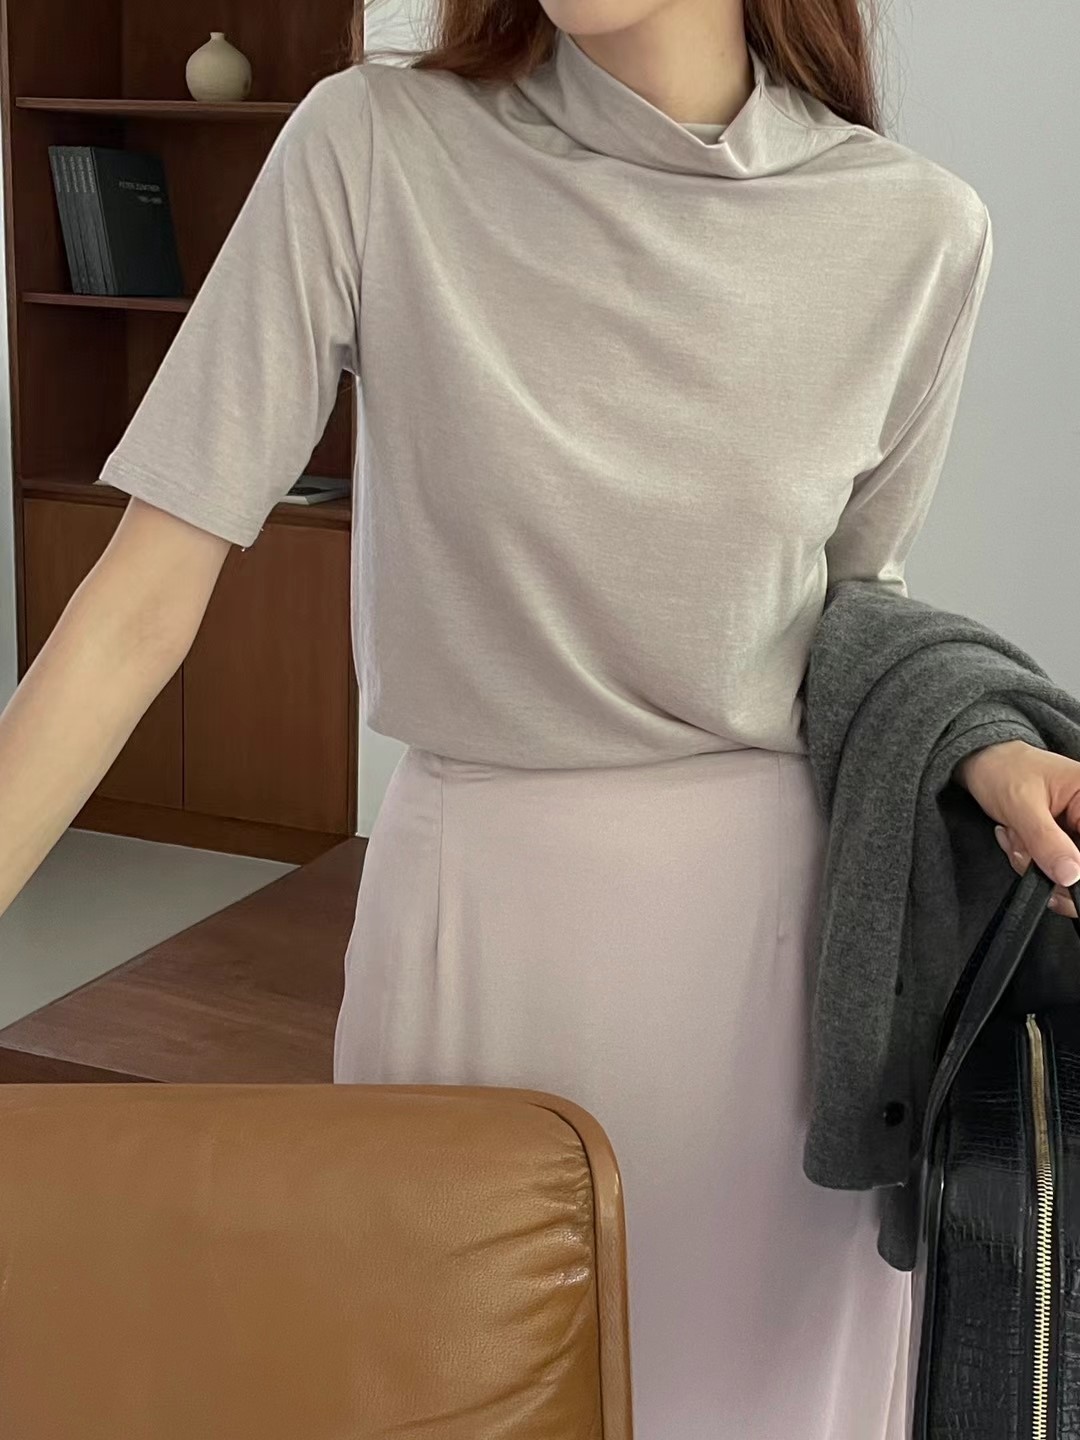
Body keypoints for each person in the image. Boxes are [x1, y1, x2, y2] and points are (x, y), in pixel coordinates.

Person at [2, 2, 1079, 1436]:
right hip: (474, 927)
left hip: (776, 986)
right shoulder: (373, 144)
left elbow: (846, 612)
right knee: (420, 1380)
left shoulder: (917, 229)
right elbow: (138, 604)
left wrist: (976, 741)